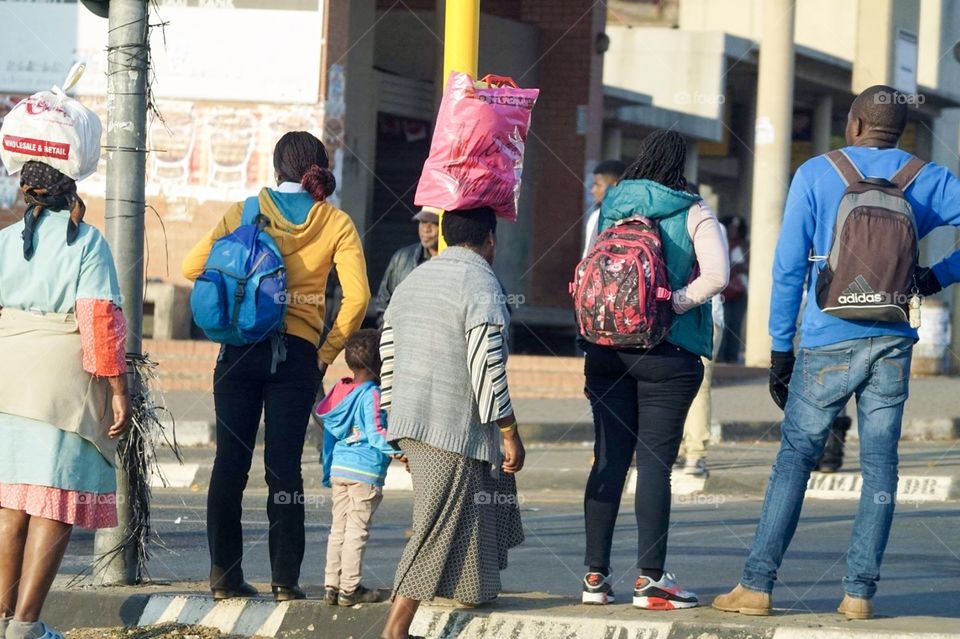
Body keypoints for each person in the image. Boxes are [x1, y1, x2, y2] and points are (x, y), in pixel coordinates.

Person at [713, 85, 960, 620]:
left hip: (826, 337)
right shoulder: (926, 178)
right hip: (893, 339)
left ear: (853, 125)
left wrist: (781, 349)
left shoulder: (817, 173)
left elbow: (786, 268)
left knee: (795, 460)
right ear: (901, 130)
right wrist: (934, 278)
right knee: (880, 466)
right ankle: (859, 594)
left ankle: (756, 587)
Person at [182, 131, 370, 603]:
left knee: (229, 464)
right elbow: (359, 297)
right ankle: (285, 581)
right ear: (318, 169)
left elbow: (191, 267)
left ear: (276, 167)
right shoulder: (335, 222)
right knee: (284, 468)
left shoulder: (245, 211)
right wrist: (326, 353)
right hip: (298, 356)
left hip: (238, 351)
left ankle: (225, 575)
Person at [580, 130, 728, 610]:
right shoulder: (693, 211)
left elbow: (587, 269)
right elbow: (718, 276)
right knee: (655, 467)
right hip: (668, 355)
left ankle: (594, 579)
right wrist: (674, 303)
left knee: (608, 460)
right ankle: (650, 580)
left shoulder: (609, 208)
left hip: (605, 350)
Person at [379, 208, 525, 639]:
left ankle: (474, 589)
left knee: (484, 497)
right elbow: (487, 365)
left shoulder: (413, 280)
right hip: (449, 424)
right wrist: (509, 432)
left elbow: (388, 353)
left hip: (411, 418)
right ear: (491, 239)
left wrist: (395, 427)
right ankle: (396, 627)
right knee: (436, 527)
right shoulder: (480, 282)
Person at [0, 160, 131, 639]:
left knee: (11, 503)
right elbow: (100, 319)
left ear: (28, 193)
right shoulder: (86, 241)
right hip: (60, 383)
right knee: (52, 501)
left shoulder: (4, 239)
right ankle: (25, 626)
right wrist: (118, 388)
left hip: (7, 374)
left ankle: (1, 619)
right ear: (67, 191)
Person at [317, 329, 398, 607]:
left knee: (338, 528)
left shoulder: (339, 391)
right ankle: (350, 588)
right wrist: (399, 453)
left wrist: (327, 470)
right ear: (380, 364)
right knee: (357, 531)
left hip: (339, 468)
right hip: (365, 473)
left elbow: (328, 435)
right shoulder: (371, 394)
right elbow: (376, 434)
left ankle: (332, 585)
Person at [375, 206, 440, 326]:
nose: (426, 229)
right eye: (423, 222)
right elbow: (383, 305)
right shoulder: (401, 258)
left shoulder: (456, 262)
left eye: (434, 223)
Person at [718, 216, 749, 363]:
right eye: (730, 227)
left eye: (736, 228)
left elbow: (749, 266)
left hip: (739, 292)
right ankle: (720, 357)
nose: (733, 231)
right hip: (722, 292)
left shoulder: (743, 245)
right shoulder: (719, 243)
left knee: (735, 325)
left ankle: (732, 358)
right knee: (722, 324)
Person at [583, 159, 626, 257]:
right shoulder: (640, 215)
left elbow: (588, 257)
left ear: (615, 185)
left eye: (597, 185)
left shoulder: (598, 216)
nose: (593, 190)